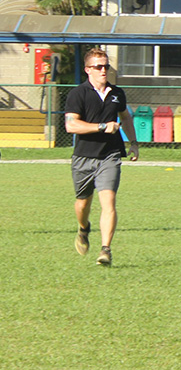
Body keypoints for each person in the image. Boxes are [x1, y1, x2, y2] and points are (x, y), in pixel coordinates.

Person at [65, 48, 139, 267]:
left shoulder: (117, 93)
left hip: (110, 155)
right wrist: (101, 126)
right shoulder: (78, 94)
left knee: (108, 201)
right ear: (88, 70)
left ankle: (106, 250)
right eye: (98, 66)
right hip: (83, 157)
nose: (103, 70)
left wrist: (133, 143)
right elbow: (71, 125)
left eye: (106, 66)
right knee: (82, 203)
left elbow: (125, 117)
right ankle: (83, 228)